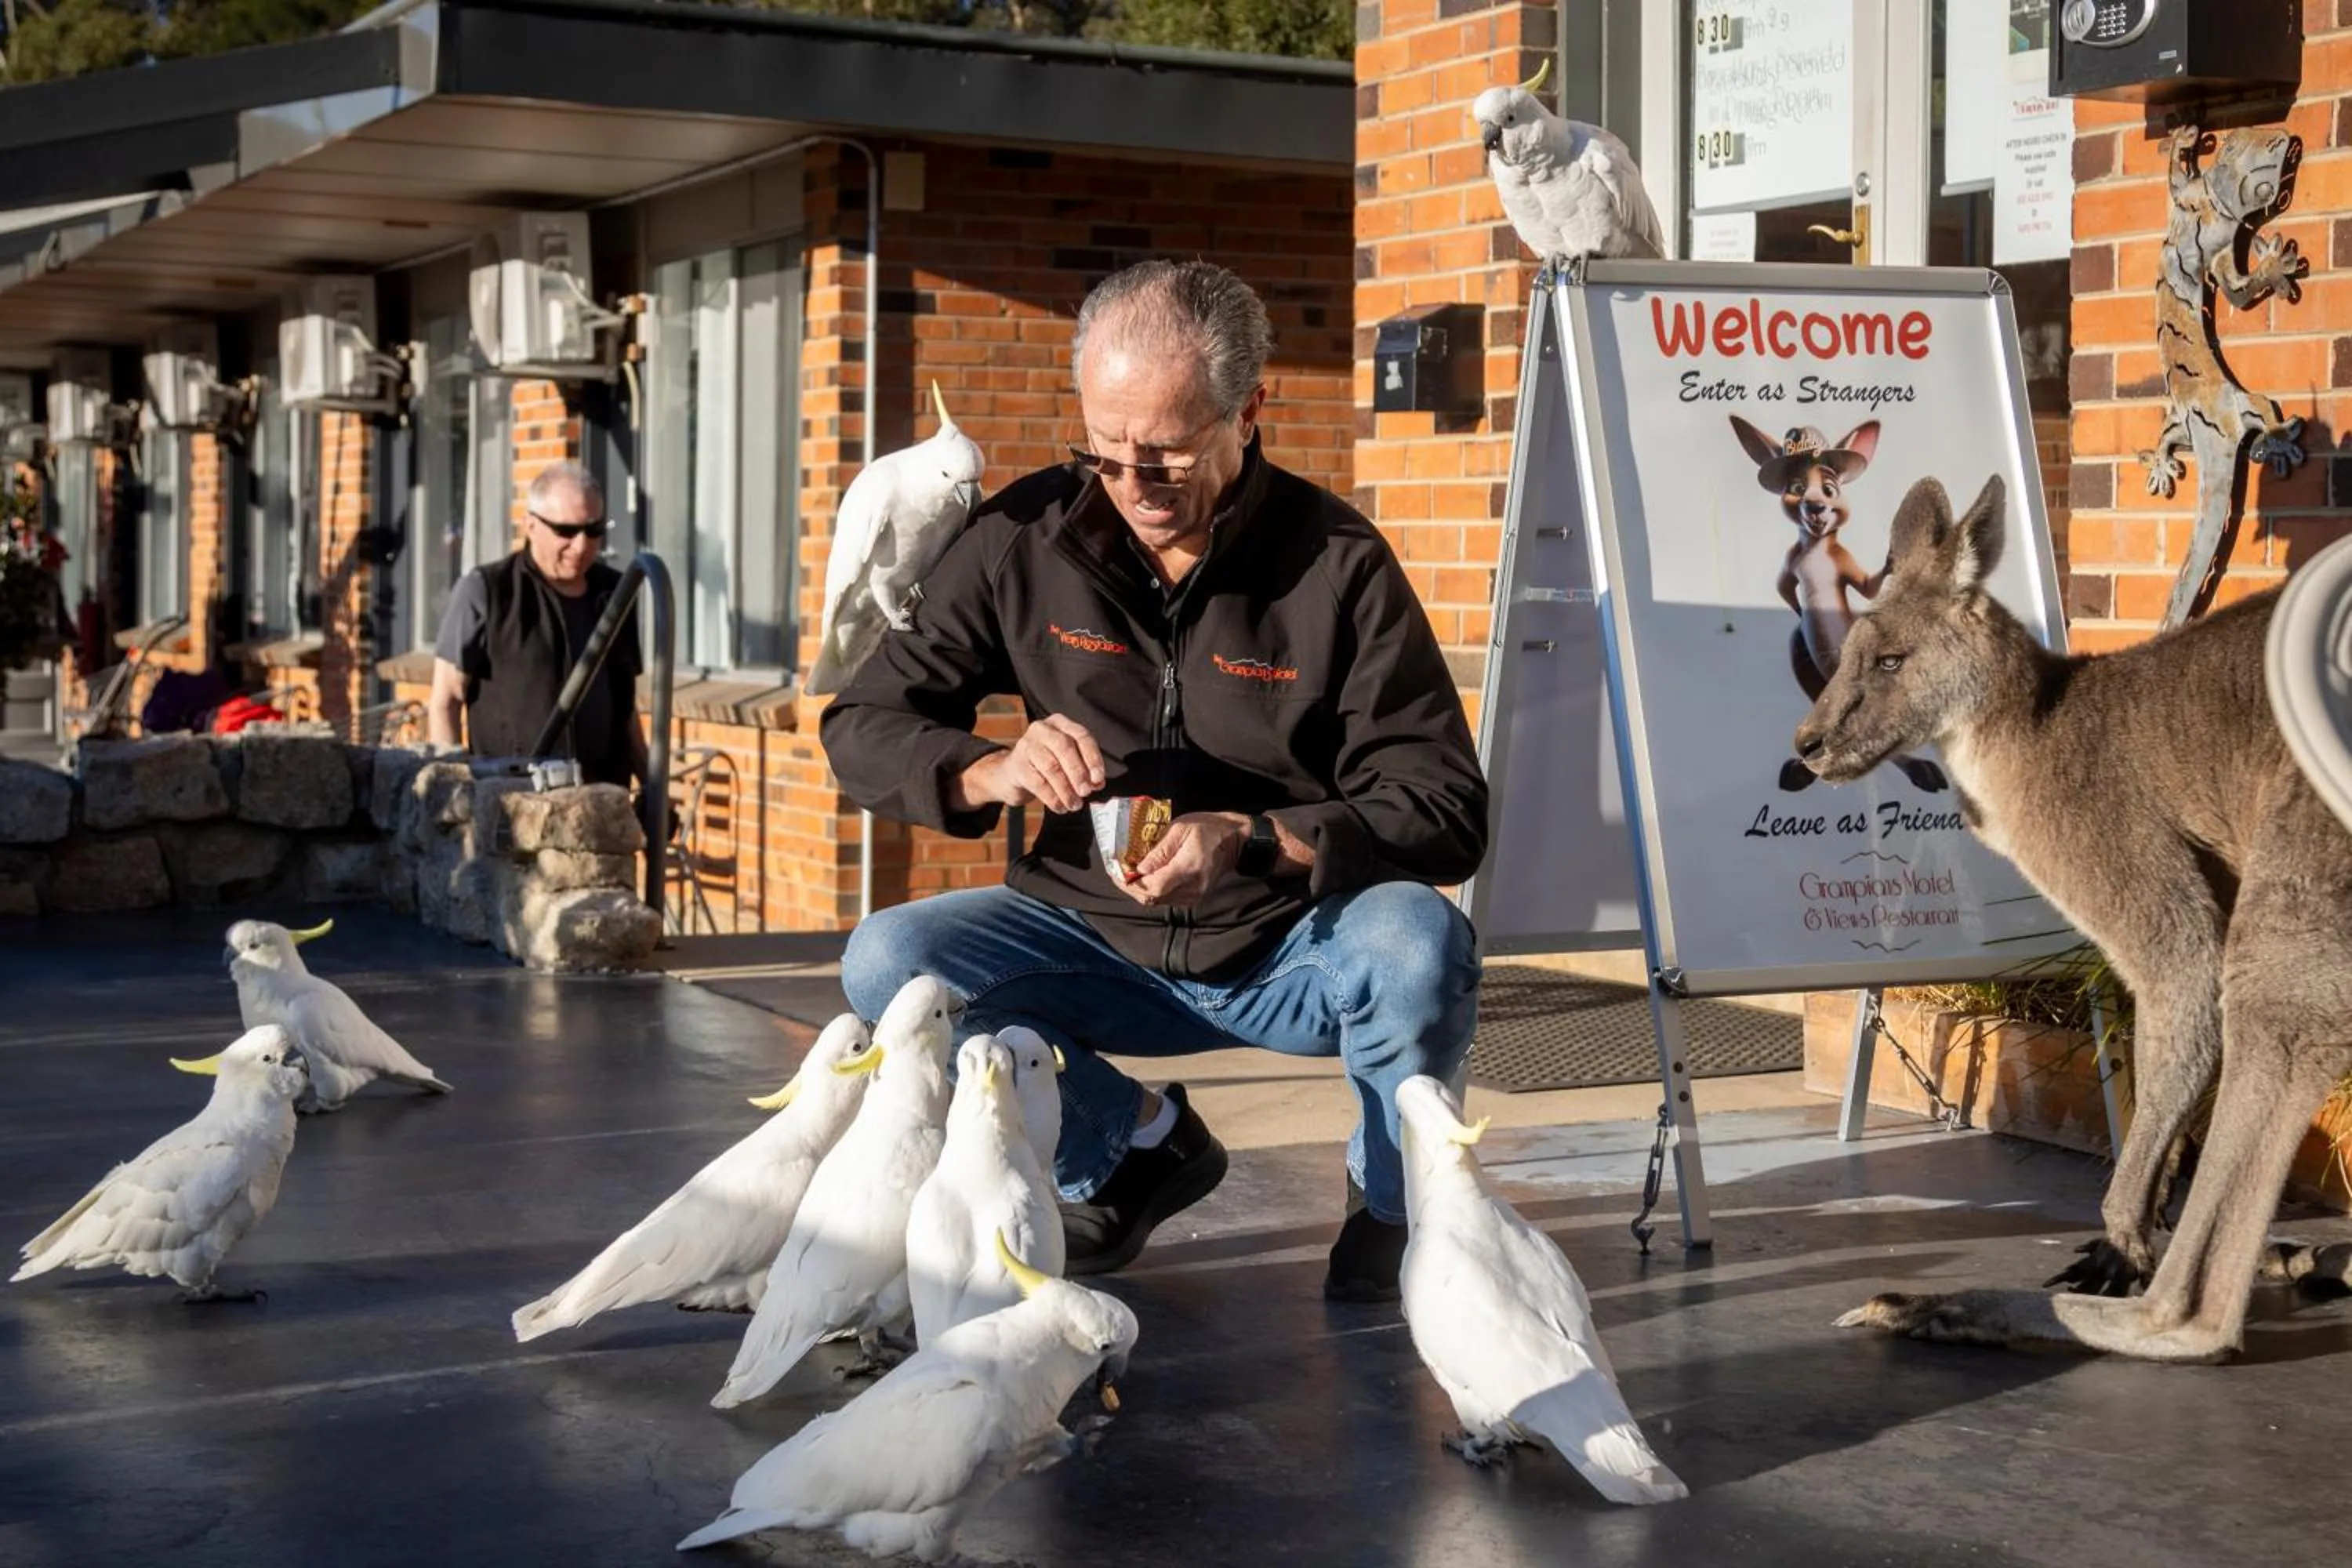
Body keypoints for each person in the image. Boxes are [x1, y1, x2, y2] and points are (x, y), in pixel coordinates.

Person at [821, 260, 1490, 1303]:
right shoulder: (1020, 536)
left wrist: (1258, 837)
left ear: (1248, 412)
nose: (1132, 483)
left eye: (1167, 455)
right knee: (892, 961)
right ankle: (1133, 1146)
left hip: (1289, 948)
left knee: (1418, 939)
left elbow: (1445, 806)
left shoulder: (1337, 562)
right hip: (1085, 939)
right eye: (1104, 447)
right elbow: (863, 721)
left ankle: (1397, 1210)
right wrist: (988, 768)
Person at [427, 461, 645, 789]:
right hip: (513, 802)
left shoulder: (615, 594)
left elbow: (625, 707)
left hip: (600, 802)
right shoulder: (489, 591)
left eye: (594, 530)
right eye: (566, 531)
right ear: (530, 526)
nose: (581, 545)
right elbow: (445, 700)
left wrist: (652, 785)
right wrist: (454, 791)